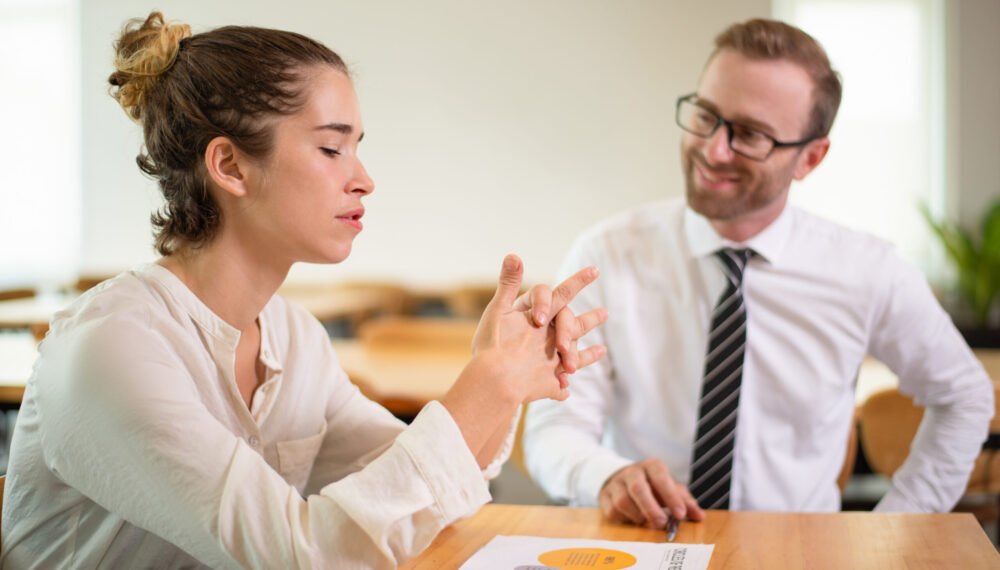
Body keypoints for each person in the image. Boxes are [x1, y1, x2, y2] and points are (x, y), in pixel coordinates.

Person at [0, 12, 608, 569]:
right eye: (330, 148)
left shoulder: (294, 339)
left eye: (357, 149)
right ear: (231, 166)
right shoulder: (113, 349)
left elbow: (415, 483)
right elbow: (305, 557)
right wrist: (488, 384)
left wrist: (496, 373)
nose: (364, 180)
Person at [523, 18, 994, 529]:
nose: (713, 149)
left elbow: (963, 397)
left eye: (749, 134)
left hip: (795, 552)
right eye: (705, 115)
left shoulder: (867, 270)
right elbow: (554, 428)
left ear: (810, 158)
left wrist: (890, 532)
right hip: (638, 545)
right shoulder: (609, 253)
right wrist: (604, 476)